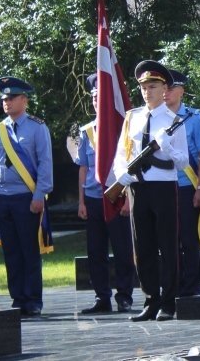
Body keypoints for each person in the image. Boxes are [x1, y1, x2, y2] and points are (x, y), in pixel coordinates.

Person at [111, 60, 189, 322]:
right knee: (142, 247)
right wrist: (120, 173)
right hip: (137, 187)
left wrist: (167, 147)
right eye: (144, 87)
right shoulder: (132, 117)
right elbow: (122, 152)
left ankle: (169, 302)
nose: (147, 92)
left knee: (168, 246)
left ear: (164, 89)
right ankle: (150, 300)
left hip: (163, 187)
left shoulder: (174, 121)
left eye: (153, 87)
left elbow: (183, 162)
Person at [0, 76, 53, 316]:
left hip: (26, 198)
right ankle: (18, 298)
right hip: (3, 198)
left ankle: (33, 300)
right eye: (4, 99)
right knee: (11, 252)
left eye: (12, 98)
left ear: (24, 100)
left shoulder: (37, 127)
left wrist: (40, 194)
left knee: (29, 250)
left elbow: (45, 163)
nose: (7, 102)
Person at [74, 74, 135, 314]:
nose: (96, 101)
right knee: (95, 251)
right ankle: (102, 297)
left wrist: (128, 198)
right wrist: (81, 201)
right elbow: (83, 168)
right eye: (93, 98)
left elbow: (130, 165)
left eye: (101, 97)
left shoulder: (122, 128)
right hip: (93, 198)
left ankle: (124, 296)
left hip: (117, 197)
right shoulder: (86, 131)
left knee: (122, 250)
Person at [164, 70, 200, 297]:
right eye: (164, 87)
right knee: (168, 240)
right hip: (163, 186)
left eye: (171, 87)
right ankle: (173, 285)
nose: (166, 92)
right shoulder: (154, 117)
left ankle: (191, 287)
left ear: (182, 90)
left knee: (188, 238)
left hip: (187, 185)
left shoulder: (194, 118)